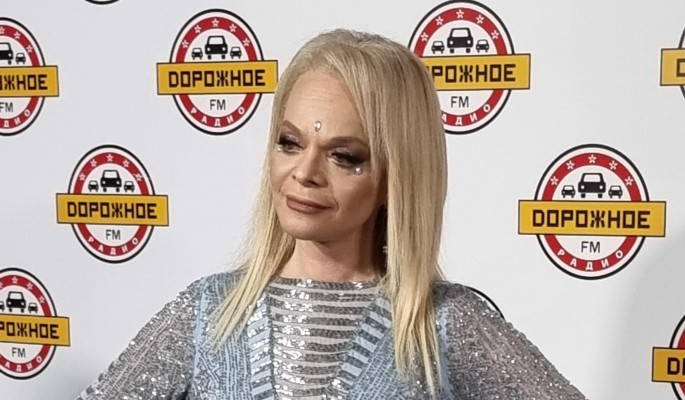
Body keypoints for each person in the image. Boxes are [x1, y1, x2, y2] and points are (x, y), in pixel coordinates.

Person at [77, 30, 587, 400]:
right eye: (289, 142)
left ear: (398, 176)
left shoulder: (447, 325)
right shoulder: (206, 312)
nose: (305, 173)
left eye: (345, 156)